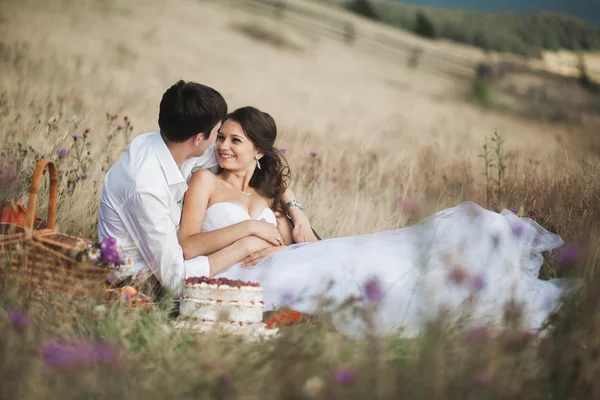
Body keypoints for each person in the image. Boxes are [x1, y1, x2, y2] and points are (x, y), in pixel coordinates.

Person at [179, 105, 581, 338]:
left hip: (289, 257)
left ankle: (467, 282)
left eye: (236, 141)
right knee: (352, 277)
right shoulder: (206, 181)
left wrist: (296, 212)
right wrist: (250, 232)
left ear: (259, 153)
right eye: (221, 138)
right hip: (243, 274)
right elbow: (188, 245)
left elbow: (285, 205)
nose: (224, 147)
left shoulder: (266, 191)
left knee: (372, 257)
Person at [97, 80, 316, 295]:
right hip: (142, 281)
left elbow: (263, 168)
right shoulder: (145, 187)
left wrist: (297, 214)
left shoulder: (176, 147)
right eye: (218, 134)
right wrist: (247, 242)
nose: (220, 145)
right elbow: (175, 280)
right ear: (199, 138)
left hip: (184, 265)